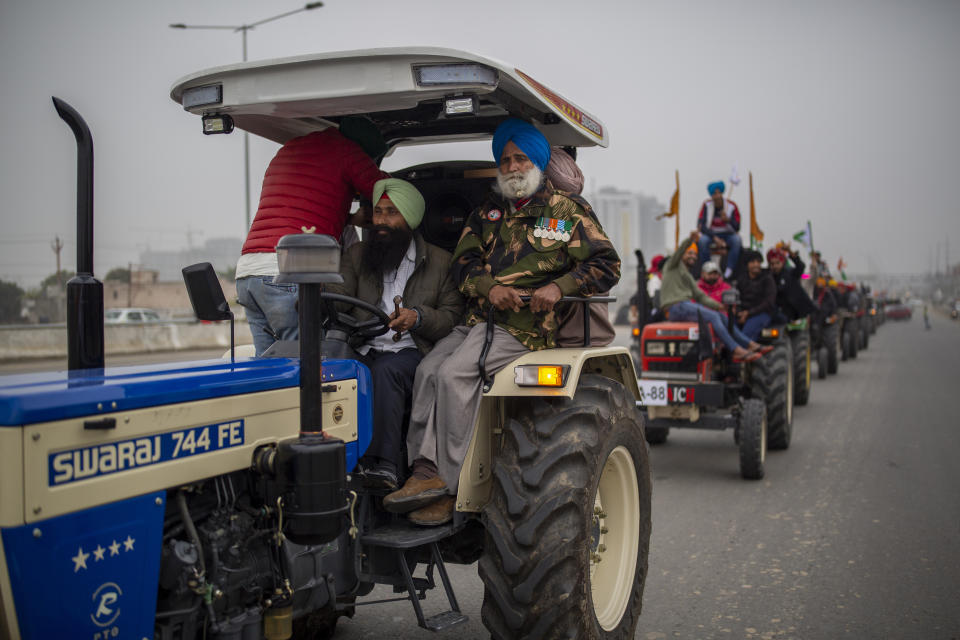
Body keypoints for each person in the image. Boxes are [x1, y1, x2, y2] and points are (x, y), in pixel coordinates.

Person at [382, 118, 621, 526]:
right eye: (505, 159)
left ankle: (448, 487)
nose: (512, 166)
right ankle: (423, 471)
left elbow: (606, 265)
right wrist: (488, 287)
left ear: (538, 164)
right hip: (479, 319)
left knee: (457, 374)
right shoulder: (487, 213)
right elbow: (463, 263)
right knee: (427, 370)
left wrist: (561, 287)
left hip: (526, 328)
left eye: (520, 158)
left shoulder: (567, 212)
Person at [330, 178, 464, 490]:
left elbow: (451, 317)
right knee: (327, 369)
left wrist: (417, 318)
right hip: (362, 345)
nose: (382, 221)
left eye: (392, 212)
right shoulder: (357, 254)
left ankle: (385, 466)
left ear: (410, 217)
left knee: (385, 371)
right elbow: (339, 294)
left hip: (414, 350)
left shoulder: (441, 261)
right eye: (378, 212)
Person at [235, 117, 390, 356]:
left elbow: (302, 210)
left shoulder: (290, 148)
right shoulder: (348, 151)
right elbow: (387, 193)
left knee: (267, 367)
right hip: (288, 273)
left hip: (249, 273)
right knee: (305, 365)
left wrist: (350, 219)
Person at [659, 232, 765, 360]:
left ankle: (749, 344)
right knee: (713, 316)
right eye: (689, 253)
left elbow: (700, 296)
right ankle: (735, 349)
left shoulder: (688, 276)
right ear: (683, 255)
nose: (693, 256)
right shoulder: (672, 265)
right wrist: (690, 240)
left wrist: (720, 306)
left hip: (685, 306)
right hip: (676, 306)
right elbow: (678, 253)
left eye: (695, 254)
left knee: (721, 316)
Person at [696, 181, 742, 278]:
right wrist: (714, 238)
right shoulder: (706, 205)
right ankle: (707, 267)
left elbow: (737, 226)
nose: (717, 196)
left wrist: (728, 220)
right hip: (711, 234)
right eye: (714, 194)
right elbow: (701, 225)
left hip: (728, 234)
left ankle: (730, 268)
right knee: (702, 241)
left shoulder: (731, 206)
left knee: (737, 240)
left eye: (718, 193)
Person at [735, 250, 777, 339]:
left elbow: (769, 303)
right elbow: (736, 298)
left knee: (746, 335)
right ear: (747, 264)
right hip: (743, 313)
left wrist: (749, 313)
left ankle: (746, 352)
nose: (756, 265)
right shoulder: (741, 279)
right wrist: (739, 313)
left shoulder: (767, 279)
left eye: (758, 262)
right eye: (753, 262)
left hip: (761, 313)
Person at [767, 246, 816, 322]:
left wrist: (790, 252)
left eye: (777, 263)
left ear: (782, 262)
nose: (775, 266)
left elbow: (807, 272)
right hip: (783, 313)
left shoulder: (792, 273)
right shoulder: (769, 277)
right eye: (772, 264)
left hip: (799, 312)